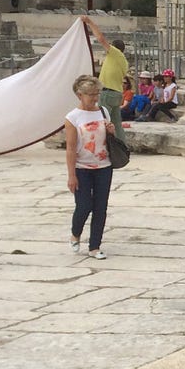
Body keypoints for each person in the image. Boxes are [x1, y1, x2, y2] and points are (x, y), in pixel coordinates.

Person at [64, 74, 115, 259]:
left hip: (104, 166)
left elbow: (109, 138)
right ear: (80, 95)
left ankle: (95, 246)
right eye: (90, 94)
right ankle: (75, 233)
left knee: (101, 207)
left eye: (97, 94)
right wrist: (71, 175)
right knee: (84, 205)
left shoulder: (103, 111)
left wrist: (111, 131)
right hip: (82, 167)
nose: (94, 98)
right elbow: (70, 148)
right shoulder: (72, 117)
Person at [81, 15, 128, 146]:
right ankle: (122, 146)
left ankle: (100, 144)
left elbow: (101, 39)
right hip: (117, 93)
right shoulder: (123, 61)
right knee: (116, 123)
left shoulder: (115, 54)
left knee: (100, 119)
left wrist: (89, 22)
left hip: (108, 92)